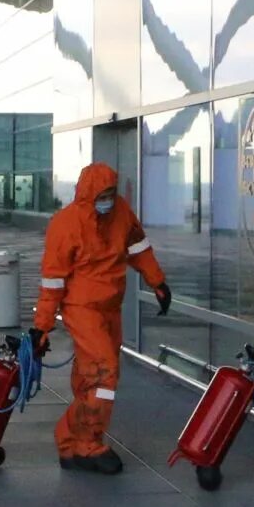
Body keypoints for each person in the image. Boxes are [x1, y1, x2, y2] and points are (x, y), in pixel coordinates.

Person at [34, 163, 171, 475]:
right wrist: (42, 327)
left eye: (111, 193)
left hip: (110, 306)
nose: (108, 199)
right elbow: (52, 281)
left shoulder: (120, 213)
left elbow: (138, 246)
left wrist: (157, 282)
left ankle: (72, 445)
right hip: (82, 307)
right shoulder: (66, 224)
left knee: (91, 376)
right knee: (104, 374)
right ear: (88, 194)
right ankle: (86, 444)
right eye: (103, 194)